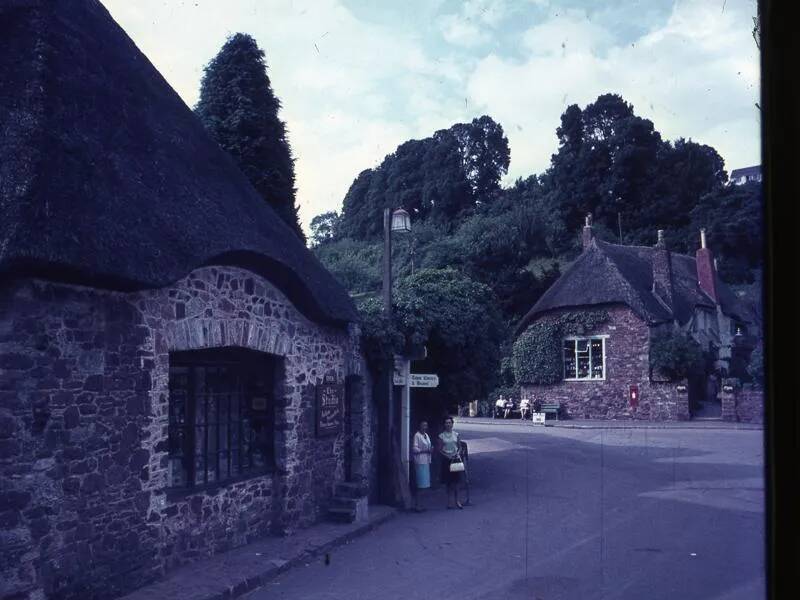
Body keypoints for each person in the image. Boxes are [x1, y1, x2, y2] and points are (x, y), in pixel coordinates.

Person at [437, 416, 464, 509]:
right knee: (448, 482)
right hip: (446, 460)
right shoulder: (441, 436)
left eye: (449, 423)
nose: (448, 424)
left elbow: (460, 447)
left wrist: (457, 453)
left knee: (456, 481)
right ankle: (449, 501)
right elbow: (439, 449)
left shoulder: (456, 434)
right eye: (446, 423)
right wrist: (447, 455)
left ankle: (458, 501)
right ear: (444, 425)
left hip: (455, 459)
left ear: (452, 424)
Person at [411, 420, 432, 512]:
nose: (425, 427)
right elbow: (414, 449)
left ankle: (421, 505)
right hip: (420, 462)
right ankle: (417, 505)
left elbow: (428, 446)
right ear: (419, 426)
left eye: (426, 425)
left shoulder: (426, 435)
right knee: (420, 485)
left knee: (425, 485)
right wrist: (425, 451)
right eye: (423, 425)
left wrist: (431, 449)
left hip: (426, 461)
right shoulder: (417, 435)